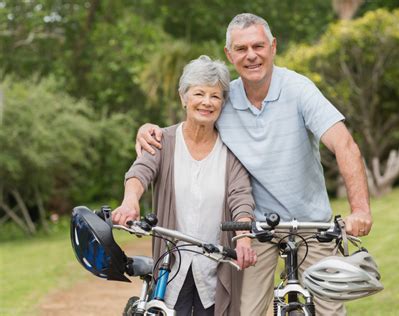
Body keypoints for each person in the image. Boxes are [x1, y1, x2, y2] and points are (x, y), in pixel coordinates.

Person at [135, 13, 372, 316]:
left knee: (329, 310)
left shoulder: (299, 89)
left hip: (313, 223)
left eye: (258, 46)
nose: (251, 56)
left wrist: (361, 209)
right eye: (241, 48)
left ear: (273, 46)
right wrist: (147, 130)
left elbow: (345, 145)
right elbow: (192, 123)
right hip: (256, 227)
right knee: (245, 310)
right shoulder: (223, 98)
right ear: (229, 54)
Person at [112, 55, 257, 316]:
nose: (206, 102)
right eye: (199, 93)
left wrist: (243, 238)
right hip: (172, 267)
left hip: (215, 268)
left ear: (223, 103)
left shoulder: (232, 149)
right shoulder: (162, 140)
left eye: (215, 96)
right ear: (184, 97)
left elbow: (241, 196)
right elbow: (140, 171)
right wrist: (130, 200)